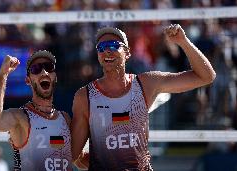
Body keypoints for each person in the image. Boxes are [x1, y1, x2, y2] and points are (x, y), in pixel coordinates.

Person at [71, 24, 216, 170]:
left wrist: (183, 42)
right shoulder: (85, 96)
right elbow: (76, 155)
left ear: (127, 53)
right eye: (101, 47)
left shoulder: (146, 84)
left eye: (114, 45)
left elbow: (206, 76)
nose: (107, 51)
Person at [0, 50, 75, 171]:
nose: (44, 72)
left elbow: (80, 159)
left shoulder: (65, 119)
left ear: (55, 77)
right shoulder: (21, 117)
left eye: (49, 67)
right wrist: (3, 74)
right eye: (36, 69)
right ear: (28, 80)